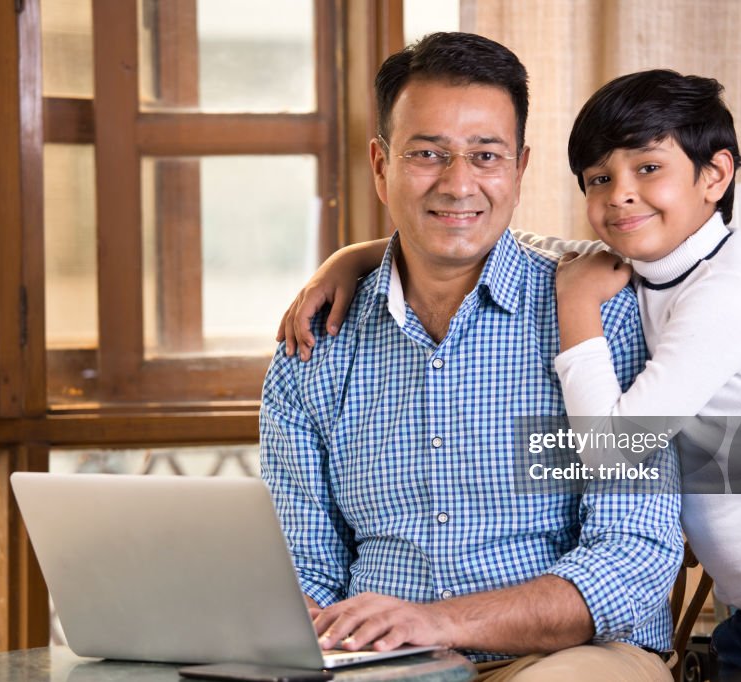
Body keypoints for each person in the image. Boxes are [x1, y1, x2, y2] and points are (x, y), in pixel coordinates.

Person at [283, 68, 741, 681]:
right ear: (381, 165)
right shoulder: (649, 264)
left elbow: (611, 449)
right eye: (598, 178)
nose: (619, 194)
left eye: (648, 168)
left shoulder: (728, 295)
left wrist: (578, 307)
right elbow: (473, 237)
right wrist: (354, 257)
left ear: (715, 174)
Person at [259, 33, 682, 682]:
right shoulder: (316, 347)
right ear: (381, 166)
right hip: (385, 667)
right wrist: (305, 624)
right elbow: (303, 569)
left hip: (571, 659)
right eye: (427, 154)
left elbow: (631, 559)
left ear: (518, 168)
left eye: (485, 156)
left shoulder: (601, 311)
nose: (459, 184)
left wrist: (440, 621)